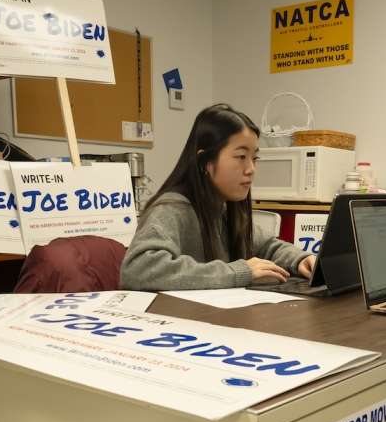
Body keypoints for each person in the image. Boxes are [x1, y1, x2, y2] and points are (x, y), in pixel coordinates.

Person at [120, 104, 314, 291]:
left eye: (255, 158)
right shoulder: (170, 210)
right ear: (204, 162)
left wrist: (300, 260)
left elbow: (268, 246)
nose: (251, 169)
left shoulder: (224, 209)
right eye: (240, 157)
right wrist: (236, 272)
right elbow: (137, 269)